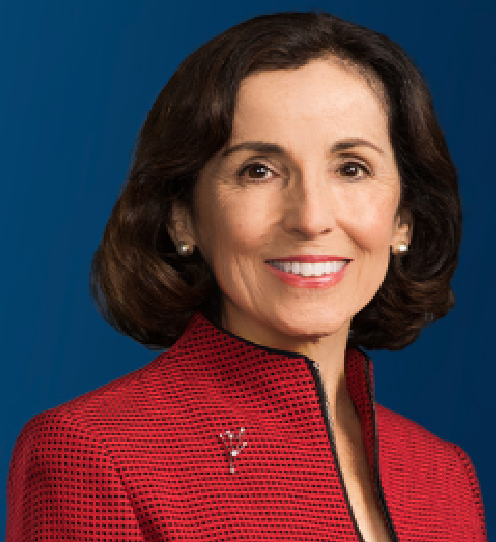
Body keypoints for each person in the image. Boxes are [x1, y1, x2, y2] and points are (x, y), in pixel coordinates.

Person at [6, 11, 487, 542]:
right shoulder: (92, 453)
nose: (309, 218)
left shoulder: (444, 475)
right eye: (258, 170)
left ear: (403, 219)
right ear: (183, 216)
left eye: (351, 168)